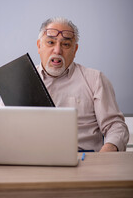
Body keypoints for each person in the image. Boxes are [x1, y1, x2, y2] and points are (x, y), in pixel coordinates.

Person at [36, 17, 129, 152]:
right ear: (39, 45)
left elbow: (115, 126)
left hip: (83, 160)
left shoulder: (95, 79)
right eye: (50, 42)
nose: (57, 50)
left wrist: (108, 151)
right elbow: (2, 121)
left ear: (75, 50)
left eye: (66, 44)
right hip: (32, 159)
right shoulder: (21, 79)